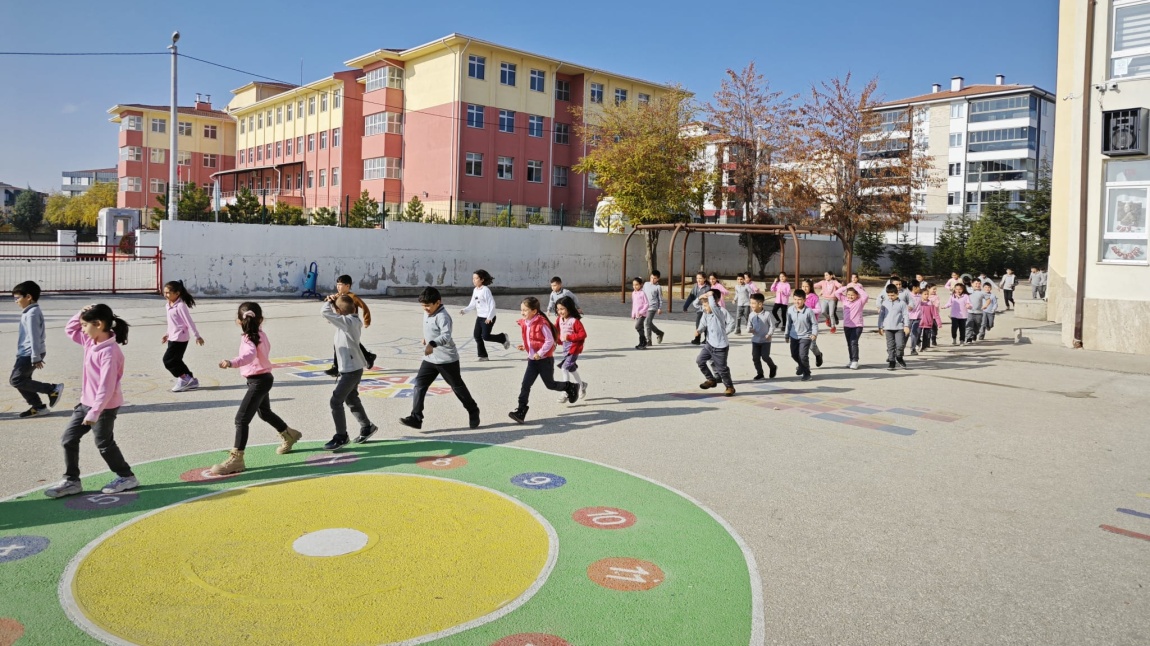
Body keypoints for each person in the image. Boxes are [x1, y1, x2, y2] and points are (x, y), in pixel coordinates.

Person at [45, 305, 137, 498]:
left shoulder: (110, 353)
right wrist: (80, 312)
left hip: (104, 406)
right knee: (68, 440)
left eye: (85, 325)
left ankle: (126, 477)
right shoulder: (90, 340)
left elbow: (106, 387)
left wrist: (95, 412)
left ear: (98, 324)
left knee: (104, 443)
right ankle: (72, 481)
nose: (82, 329)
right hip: (85, 403)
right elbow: (70, 330)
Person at [210, 302, 301, 476]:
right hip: (263, 378)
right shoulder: (260, 335)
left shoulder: (249, 337)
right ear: (261, 320)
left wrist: (232, 362)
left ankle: (237, 458)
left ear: (238, 321)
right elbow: (253, 354)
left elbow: (249, 355)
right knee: (264, 412)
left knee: (241, 419)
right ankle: (289, 434)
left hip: (259, 381)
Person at [399, 287, 481, 431]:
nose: (425, 309)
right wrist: (427, 338)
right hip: (430, 359)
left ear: (438, 302)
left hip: (447, 360)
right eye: (423, 306)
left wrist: (432, 343)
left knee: (457, 387)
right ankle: (416, 417)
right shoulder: (428, 312)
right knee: (419, 384)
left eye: (428, 305)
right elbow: (430, 328)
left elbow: (446, 335)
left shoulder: (443, 316)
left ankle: (473, 410)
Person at [508, 297, 579, 424]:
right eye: (521, 310)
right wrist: (526, 347)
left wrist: (540, 353)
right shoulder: (526, 322)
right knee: (525, 385)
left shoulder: (541, 323)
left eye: (525, 310)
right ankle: (521, 411)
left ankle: (570, 386)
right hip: (532, 360)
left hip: (544, 360)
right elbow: (533, 339)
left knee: (550, 385)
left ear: (534, 311)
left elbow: (549, 340)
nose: (522, 313)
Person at [320, 294, 378, 450]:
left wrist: (329, 302)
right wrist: (335, 305)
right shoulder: (349, 321)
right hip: (351, 368)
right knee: (351, 399)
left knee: (335, 401)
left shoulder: (348, 323)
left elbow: (324, 312)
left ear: (339, 311)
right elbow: (332, 315)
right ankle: (367, 426)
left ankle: (341, 436)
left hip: (351, 371)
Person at [11, 281, 64, 418]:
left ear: (28, 297)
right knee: (22, 381)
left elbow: (34, 336)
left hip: (30, 353)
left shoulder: (32, 313)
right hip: (27, 352)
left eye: (17, 298)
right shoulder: (29, 312)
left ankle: (52, 389)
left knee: (16, 380)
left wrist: (35, 357)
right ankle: (38, 407)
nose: (16, 301)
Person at [324, 275, 377, 377]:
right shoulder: (337, 296)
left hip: (350, 323)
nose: (338, 287)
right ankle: (368, 356)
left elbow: (364, 307)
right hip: (343, 322)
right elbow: (334, 308)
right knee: (347, 342)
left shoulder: (353, 297)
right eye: (337, 284)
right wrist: (331, 318)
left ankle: (336, 367)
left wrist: (367, 321)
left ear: (348, 286)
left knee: (343, 343)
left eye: (341, 285)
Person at [161, 280, 203, 392]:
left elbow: (189, 322)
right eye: (164, 292)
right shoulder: (168, 305)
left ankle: (184, 379)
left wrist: (197, 336)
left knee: (168, 360)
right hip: (172, 337)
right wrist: (167, 334)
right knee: (177, 360)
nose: (165, 295)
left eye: (168, 292)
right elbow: (171, 322)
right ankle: (191, 380)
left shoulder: (180, 306)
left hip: (180, 338)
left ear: (177, 293)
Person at [461, 270, 511, 361]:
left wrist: (489, 317)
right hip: (480, 317)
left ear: (482, 280)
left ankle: (502, 337)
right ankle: (483, 356)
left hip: (488, 317)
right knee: (477, 335)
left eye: (476, 278)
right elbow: (472, 304)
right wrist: (465, 310)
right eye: (473, 278)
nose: (474, 280)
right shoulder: (475, 290)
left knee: (485, 336)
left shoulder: (485, 290)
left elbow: (492, 304)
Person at [695, 290, 737, 396]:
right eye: (704, 305)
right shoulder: (706, 312)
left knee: (722, 369)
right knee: (700, 361)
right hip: (709, 344)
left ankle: (729, 387)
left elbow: (714, 307)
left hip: (720, 347)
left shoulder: (718, 312)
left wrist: (725, 332)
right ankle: (711, 379)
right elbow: (696, 305)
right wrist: (699, 330)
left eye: (706, 305)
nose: (705, 308)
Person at [554, 296, 588, 401]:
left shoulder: (574, 321)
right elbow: (555, 331)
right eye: (558, 309)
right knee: (571, 369)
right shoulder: (559, 319)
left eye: (562, 309)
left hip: (574, 349)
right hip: (565, 348)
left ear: (569, 308)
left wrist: (569, 337)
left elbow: (583, 334)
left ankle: (566, 392)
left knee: (564, 368)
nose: (560, 311)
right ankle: (582, 385)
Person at [835, 279, 868, 370]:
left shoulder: (860, 301)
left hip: (857, 326)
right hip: (847, 325)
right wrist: (847, 287)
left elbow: (865, 295)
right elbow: (837, 293)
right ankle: (851, 360)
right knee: (849, 343)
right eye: (848, 294)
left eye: (852, 295)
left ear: (857, 295)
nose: (850, 296)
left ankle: (855, 361)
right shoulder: (844, 300)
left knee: (854, 342)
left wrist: (856, 287)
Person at [786, 290, 818, 381]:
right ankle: (801, 365)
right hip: (794, 336)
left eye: (799, 299)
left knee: (803, 355)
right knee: (794, 354)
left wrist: (814, 334)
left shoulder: (809, 311)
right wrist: (786, 335)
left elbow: (814, 324)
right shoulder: (790, 310)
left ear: (804, 300)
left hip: (805, 336)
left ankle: (807, 373)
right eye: (795, 299)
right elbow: (788, 323)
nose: (797, 301)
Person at [747, 292, 778, 380]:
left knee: (765, 356)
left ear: (760, 304)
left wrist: (769, 334)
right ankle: (760, 373)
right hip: (755, 340)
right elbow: (749, 325)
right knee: (755, 357)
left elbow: (772, 326)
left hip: (765, 341)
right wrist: (750, 329)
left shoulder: (767, 314)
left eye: (753, 303)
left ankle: (773, 367)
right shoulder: (751, 315)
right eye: (750, 303)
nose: (751, 305)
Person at [880, 285, 911, 370]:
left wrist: (906, 326)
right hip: (888, 328)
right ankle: (892, 361)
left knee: (900, 345)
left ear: (897, 294)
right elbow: (881, 316)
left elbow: (905, 315)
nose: (890, 297)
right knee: (890, 346)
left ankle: (899, 357)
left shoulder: (902, 303)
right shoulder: (885, 303)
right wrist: (880, 326)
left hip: (899, 328)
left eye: (892, 295)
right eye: (889, 295)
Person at [801, 279, 826, 368]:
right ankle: (802, 364)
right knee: (802, 346)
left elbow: (819, 310)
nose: (804, 288)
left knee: (811, 346)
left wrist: (809, 310)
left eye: (806, 286)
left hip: (812, 326)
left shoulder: (814, 297)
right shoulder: (800, 296)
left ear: (810, 287)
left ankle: (818, 355)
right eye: (803, 286)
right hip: (801, 326)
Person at [642, 271, 666, 345]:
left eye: (654, 278)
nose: (652, 279)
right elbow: (642, 294)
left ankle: (648, 340)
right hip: (645, 306)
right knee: (648, 323)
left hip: (653, 307)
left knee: (646, 323)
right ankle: (659, 333)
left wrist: (659, 308)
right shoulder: (646, 284)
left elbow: (660, 299)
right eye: (651, 277)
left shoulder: (658, 287)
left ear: (658, 279)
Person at [687, 273, 710, 345]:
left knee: (706, 325)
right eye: (697, 278)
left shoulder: (707, 288)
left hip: (705, 309)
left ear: (704, 279)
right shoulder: (695, 286)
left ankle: (707, 339)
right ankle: (697, 339)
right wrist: (685, 305)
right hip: (699, 309)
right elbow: (691, 296)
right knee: (698, 324)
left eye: (700, 278)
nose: (698, 280)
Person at [630, 277, 650, 349]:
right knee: (640, 328)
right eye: (633, 285)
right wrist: (633, 314)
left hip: (642, 314)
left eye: (637, 285)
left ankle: (643, 341)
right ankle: (642, 343)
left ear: (641, 285)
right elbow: (634, 304)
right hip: (637, 314)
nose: (635, 286)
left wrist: (641, 312)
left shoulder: (642, 293)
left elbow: (646, 304)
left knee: (637, 326)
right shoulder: (633, 293)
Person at [966, 280, 986, 344]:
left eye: (979, 283)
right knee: (969, 325)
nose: (977, 285)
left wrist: (985, 306)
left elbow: (988, 300)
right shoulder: (968, 291)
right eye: (976, 283)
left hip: (979, 312)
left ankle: (975, 334)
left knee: (978, 325)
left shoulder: (983, 293)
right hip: (969, 312)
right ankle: (969, 338)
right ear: (972, 284)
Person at [907, 283, 924, 356]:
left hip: (918, 317)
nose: (920, 288)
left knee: (914, 333)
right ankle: (900, 348)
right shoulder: (907, 295)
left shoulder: (920, 296)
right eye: (918, 287)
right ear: (914, 287)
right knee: (906, 334)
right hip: (908, 317)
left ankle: (913, 349)